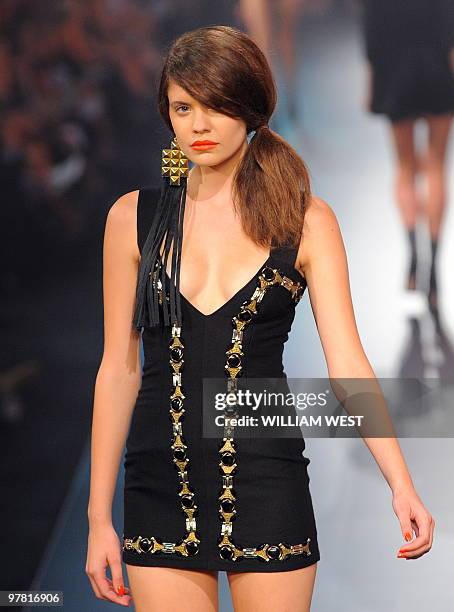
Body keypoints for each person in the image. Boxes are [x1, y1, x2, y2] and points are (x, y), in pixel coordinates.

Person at [86, 25, 434, 611]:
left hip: (268, 483)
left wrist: (400, 482)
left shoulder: (305, 220)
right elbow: (117, 371)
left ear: (250, 109)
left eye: (216, 107)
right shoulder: (132, 220)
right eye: (182, 107)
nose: (198, 126)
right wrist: (99, 515)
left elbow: (347, 364)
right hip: (158, 486)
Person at [361, 0, 454, 315]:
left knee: (404, 168)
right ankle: (436, 271)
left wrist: (372, 74)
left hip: (395, 71)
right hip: (439, 68)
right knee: (436, 167)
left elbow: (371, 26)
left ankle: (415, 256)